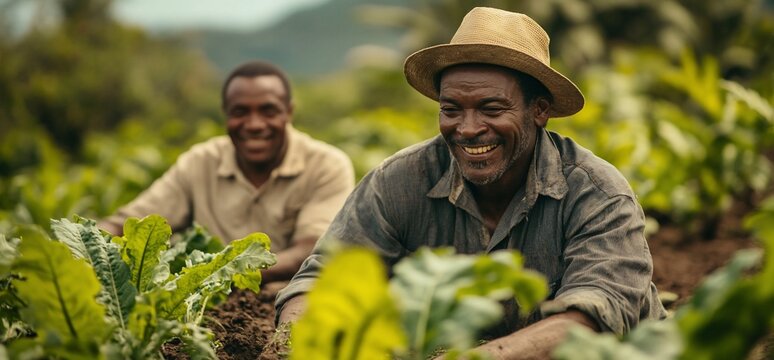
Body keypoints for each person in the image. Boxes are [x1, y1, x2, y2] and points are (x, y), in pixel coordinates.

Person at [275, 7, 667, 359]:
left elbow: (592, 318)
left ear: (540, 110)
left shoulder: (595, 192)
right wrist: (294, 344)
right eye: (451, 110)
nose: (468, 129)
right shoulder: (398, 182)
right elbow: (319, 281)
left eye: (491, 109)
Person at [98, 60, 355, 285]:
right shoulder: (200, 162)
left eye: (268, 110)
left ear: (289, 112)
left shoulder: (326, 165)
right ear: (226, 114)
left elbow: (312, 250)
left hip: (291, 305)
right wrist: (86, 249)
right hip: (207, 309)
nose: (254, 125)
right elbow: (125, 224)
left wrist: (218, 275)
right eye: (240, 112)